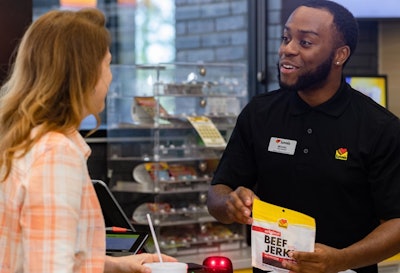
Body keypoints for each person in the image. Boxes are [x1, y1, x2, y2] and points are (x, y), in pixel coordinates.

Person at [207, 1, 400, 273]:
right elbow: (217, 193)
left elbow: (396, 222)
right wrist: (230, 204)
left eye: (305, 42)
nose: (288, 49)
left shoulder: (379, 127)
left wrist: (341, 260)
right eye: (286, 38)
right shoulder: (259, 113)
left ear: (339, 55)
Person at [0, 8, 176, 273]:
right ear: (85, 74)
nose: (111, 76)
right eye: (107, 64)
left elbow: (43, 251)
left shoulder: (23, 139)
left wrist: (118, 266)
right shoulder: (55, 153)